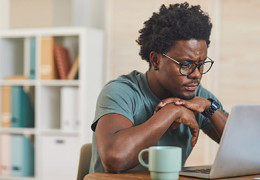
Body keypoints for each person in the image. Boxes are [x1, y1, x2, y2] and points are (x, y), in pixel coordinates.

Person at [89, 2, 229, 174]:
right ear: (155, 60)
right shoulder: (121, 92)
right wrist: (172, 111)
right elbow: (115, 158)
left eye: (201, 64)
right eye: (186, 65)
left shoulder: (197, 97)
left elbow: (251, 150)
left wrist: (210, 108)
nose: (197, 75)